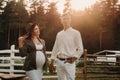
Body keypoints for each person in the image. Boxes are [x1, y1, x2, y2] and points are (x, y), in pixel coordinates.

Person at [50, 13, 84, 80]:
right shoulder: (59, 34)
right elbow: (55, 48)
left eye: (67, 19)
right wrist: (52, 62)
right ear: (61, 21)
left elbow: (80, 49)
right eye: (64, 19)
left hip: (69, 62)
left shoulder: (76, 33)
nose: (65, 20)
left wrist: (74, 59)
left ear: (70, 20)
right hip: (59, 62)